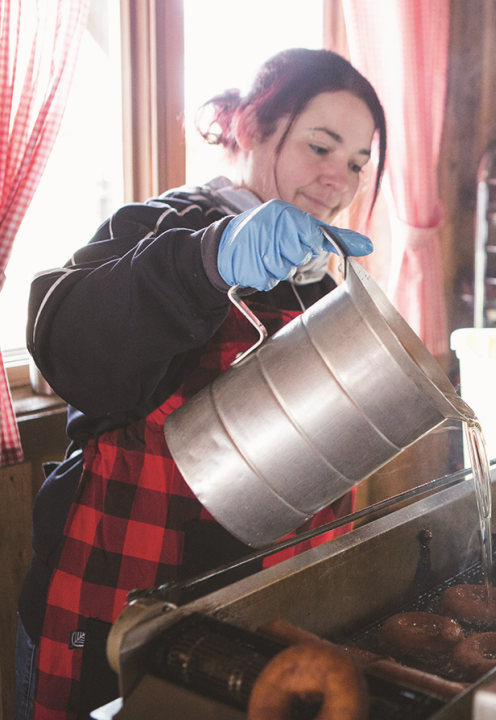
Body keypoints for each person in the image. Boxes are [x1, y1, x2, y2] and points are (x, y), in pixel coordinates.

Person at [14, 48, 387, 720]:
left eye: (359, 162)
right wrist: (209, 259)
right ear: (248, 126)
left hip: (266, 607)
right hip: (125, 593)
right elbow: (65, 342)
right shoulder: (161, 227)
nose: (340, 178)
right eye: (321, 146)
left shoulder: (318, 283)